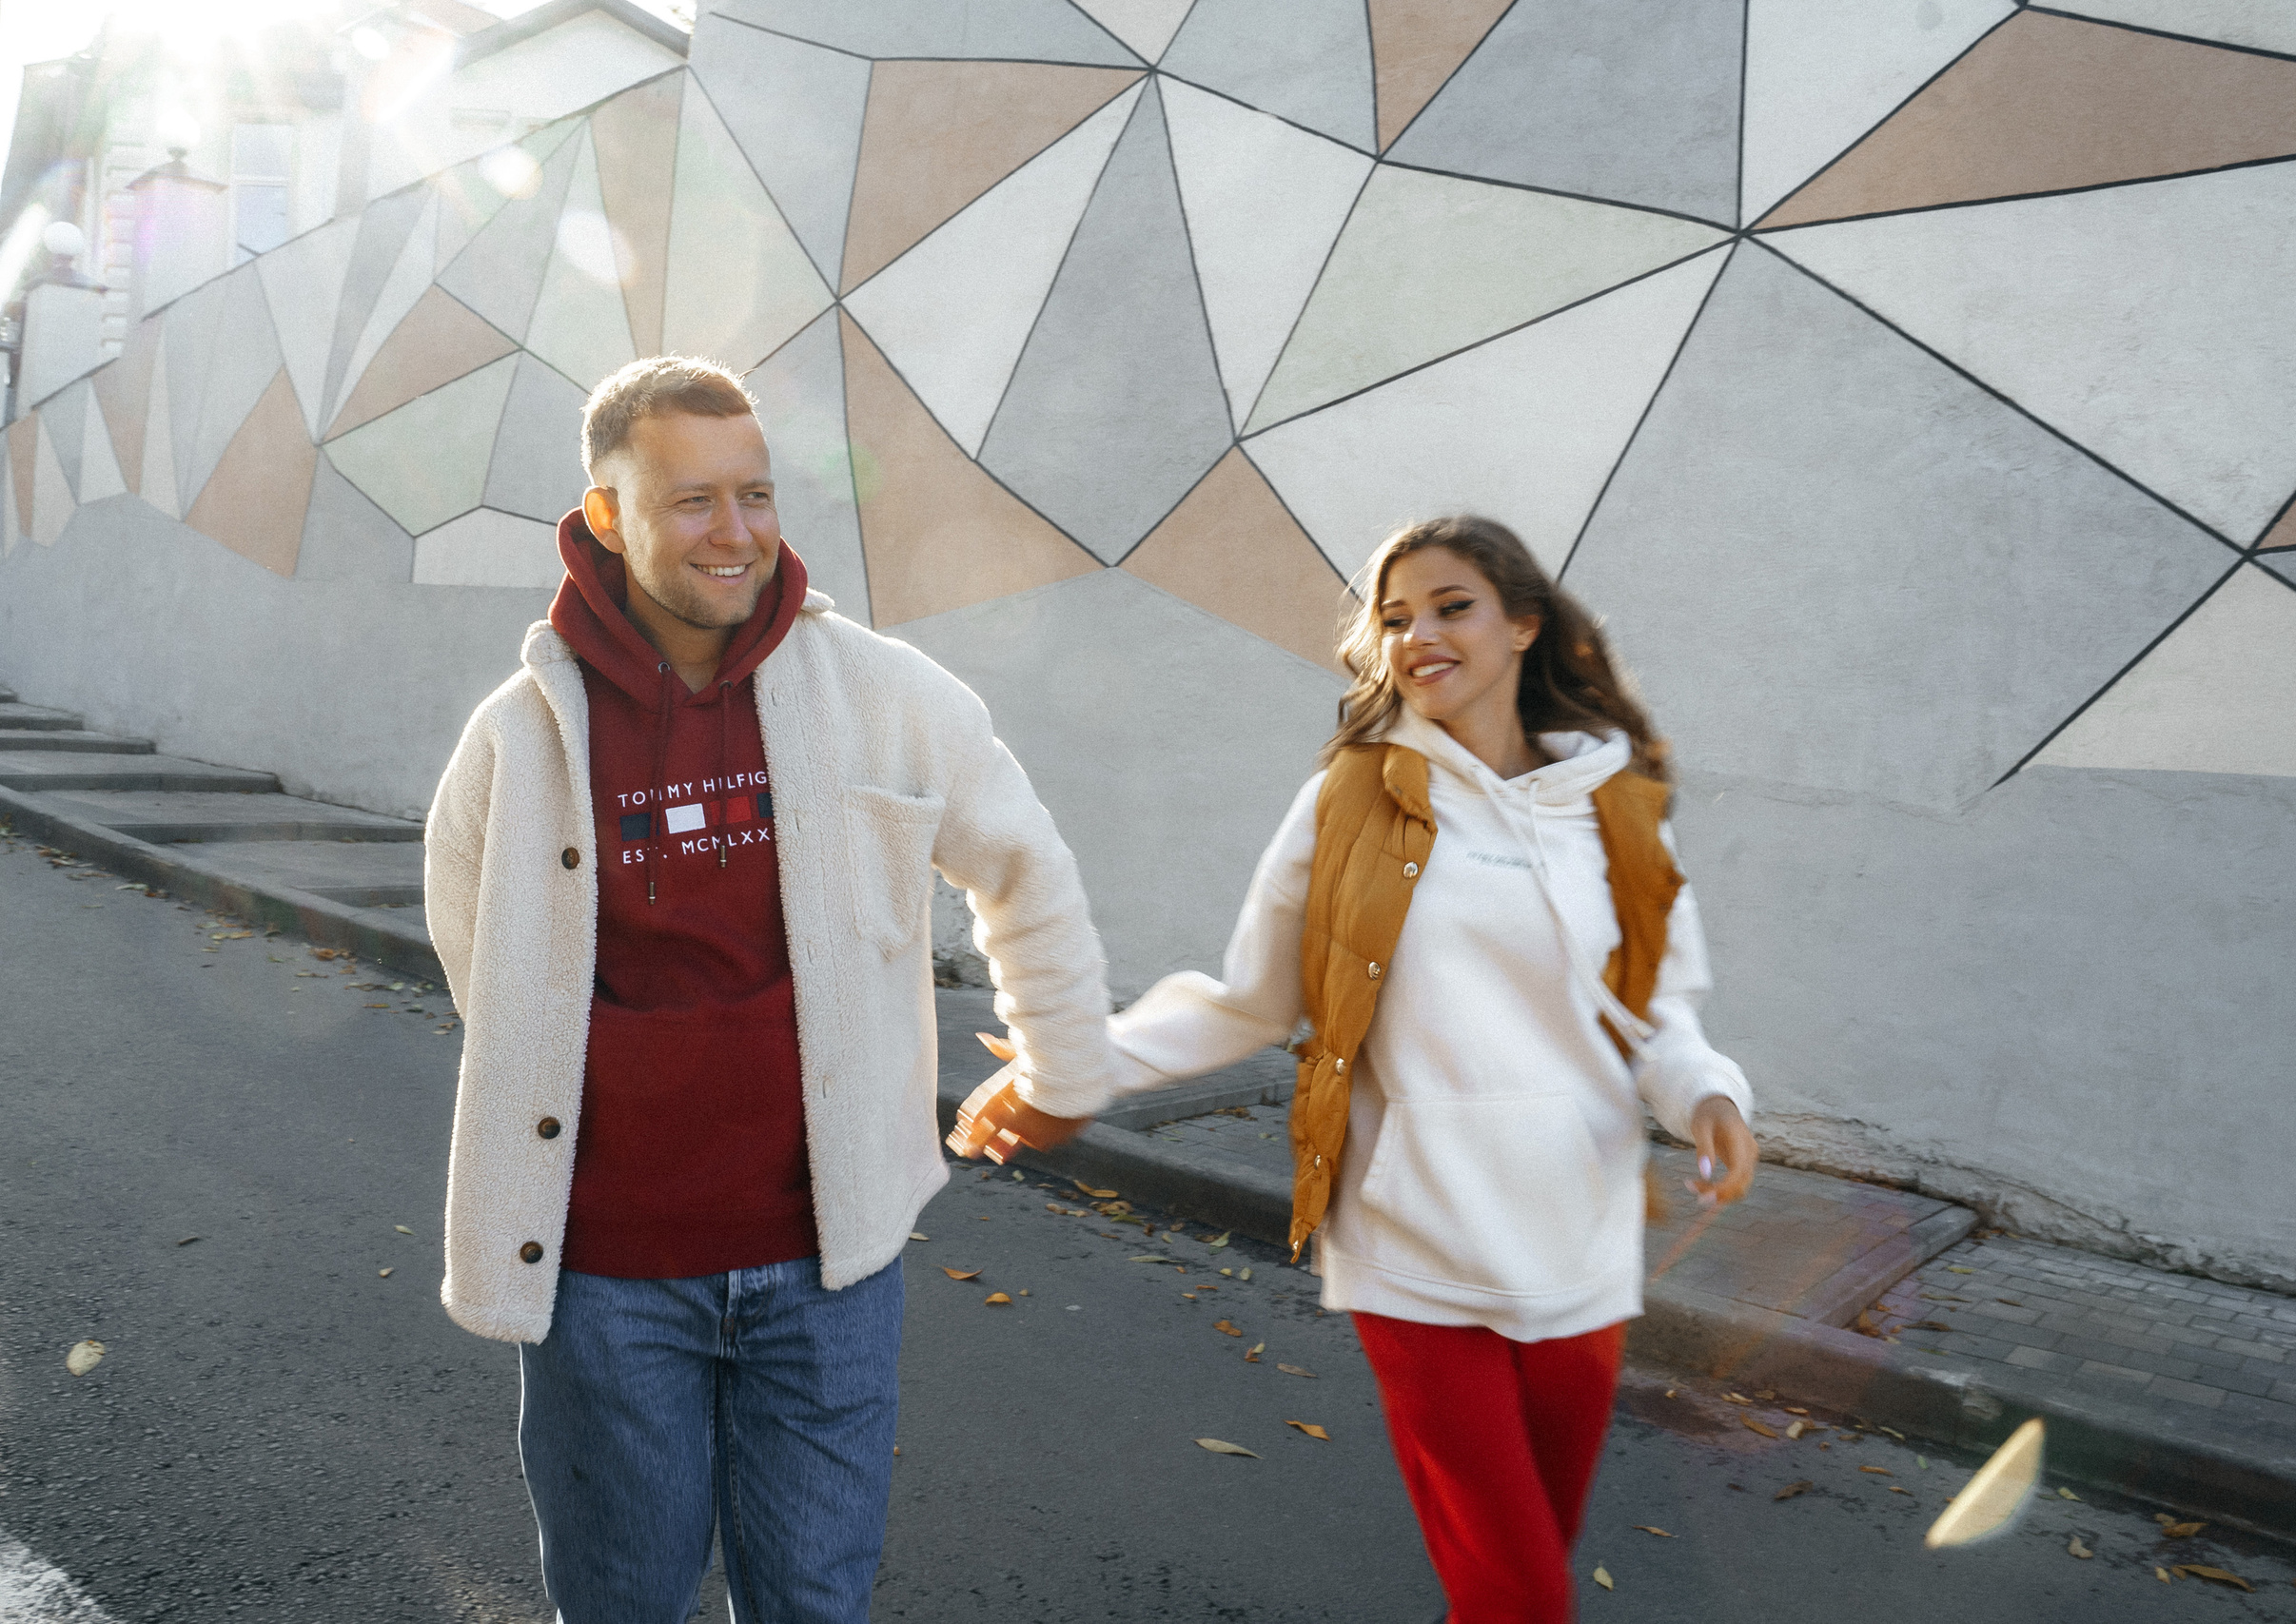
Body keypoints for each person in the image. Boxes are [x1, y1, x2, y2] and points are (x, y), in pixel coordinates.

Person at [422, 355, 1109, 1623]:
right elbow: (486, 962)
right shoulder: (520, 737)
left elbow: (1025, 868)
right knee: (623, 1595)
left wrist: (1060, 1061)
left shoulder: (888, 695)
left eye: (756, 492)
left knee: (812, 1597)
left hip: (829, 1264)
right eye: (692, 500)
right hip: (605, 1277)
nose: (734, 531)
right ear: (611, 511)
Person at [1103, 516, 1758, 1624]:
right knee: (1521, 1597)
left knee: (1521, 1572)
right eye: (1396, 618)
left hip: (1578, 1250)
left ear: (1522, 625)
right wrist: (1075, 1063)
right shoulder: (1354, 798)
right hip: (1414, 1243)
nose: (1418, 636)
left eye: (1451, 607)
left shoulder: (1620, 815)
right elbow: (1253, 1001)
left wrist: (1708, 1098)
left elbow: (1658, 1022)